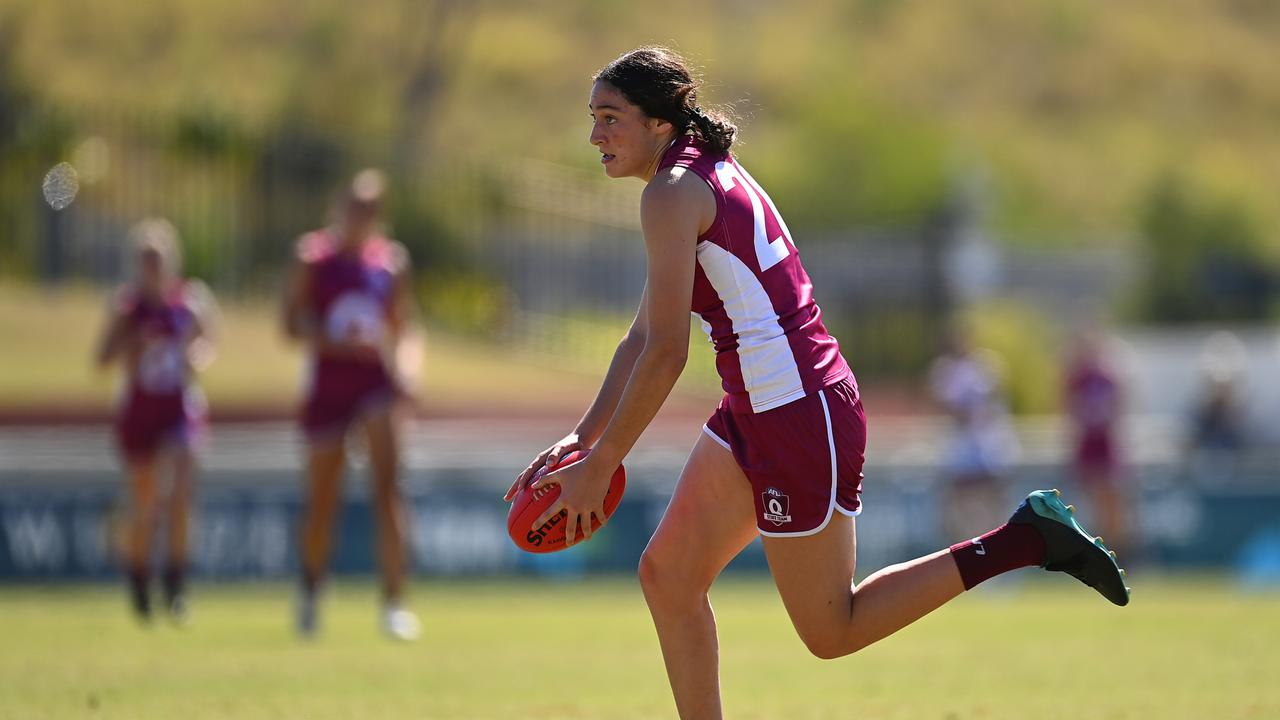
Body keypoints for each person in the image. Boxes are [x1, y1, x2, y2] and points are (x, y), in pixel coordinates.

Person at [505, 47, 1130, 718]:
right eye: (592, 118)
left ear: (659, 124)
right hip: (765, 406)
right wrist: (585, 435)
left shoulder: (672, 192)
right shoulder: (697, 174)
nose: (595, 135)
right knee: (668, 576)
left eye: (610, 118)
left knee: (833, 631)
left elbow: (665, 355)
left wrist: (602, 465)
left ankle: (1025, 539)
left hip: (798, 414)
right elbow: (641, 338)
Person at [282, 169, 422, 641]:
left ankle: (394, 602)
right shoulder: (313, 258)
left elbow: (404, 328)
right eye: (353, 207)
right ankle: (311, 590)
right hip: (328, 386)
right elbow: (290, 324)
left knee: (389, 489)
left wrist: (407, 369)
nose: (360, 217)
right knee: (322, 497)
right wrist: (335, 343)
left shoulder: (390, 264)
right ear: (338, 207)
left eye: (369, 209)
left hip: (375, 385)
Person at [96, 218, 215, 624]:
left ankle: (177, 583)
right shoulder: (127, 308)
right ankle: (139, 578)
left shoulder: (191, 302)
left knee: (180, 492)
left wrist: (194, 354)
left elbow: (206, 345)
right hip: (139, 413)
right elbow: (103, 359)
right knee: (145, 504)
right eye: (146, 260)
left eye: (159, 260)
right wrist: (134, 341)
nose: (153, 268)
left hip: (177, 410)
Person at [928, 324, 1018, 542]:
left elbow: (992, 404)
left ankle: (1003, 545)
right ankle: (957, 550)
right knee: (956, 502)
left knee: (994, 498)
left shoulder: (984, 367)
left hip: (987, 446)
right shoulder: (944, 370)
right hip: (960, 449)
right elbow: (944, 406)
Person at [1063, 324, 1128, 556]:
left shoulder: (1107, 375)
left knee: (1110, 501)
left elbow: (1117, 407)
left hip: (1105, 443)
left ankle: (1118, 551)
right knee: (1088, 501)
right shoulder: (1077, 377)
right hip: (1088, 444)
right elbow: (1070, 409)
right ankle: (1091, 553)